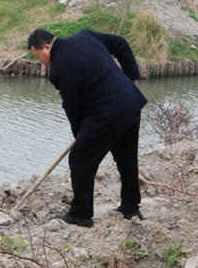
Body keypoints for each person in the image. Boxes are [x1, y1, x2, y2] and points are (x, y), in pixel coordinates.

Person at [27, 28, 147, 228]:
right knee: (126, 158)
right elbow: (121, 44)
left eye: (38, 55)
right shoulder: (85, 36)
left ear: (47, 47)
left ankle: (81, 214)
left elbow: (73, 108)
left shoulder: (58, 70)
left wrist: (81, 136)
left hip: (108, 112)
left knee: (80, 158)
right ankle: (130, 207)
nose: (40, 61)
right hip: (131, 103)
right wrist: (131, 76)